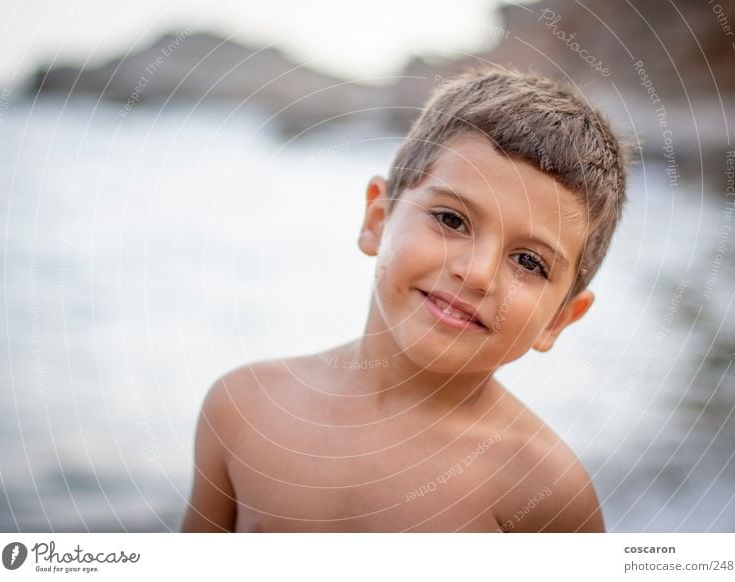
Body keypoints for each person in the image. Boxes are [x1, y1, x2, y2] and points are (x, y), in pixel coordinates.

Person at [181, 65, 635, 532]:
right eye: (451, 220)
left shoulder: (544, 492)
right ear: (377, 219)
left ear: (558, 320)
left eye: (529, 262)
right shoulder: (243, 409)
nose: (476, 273)